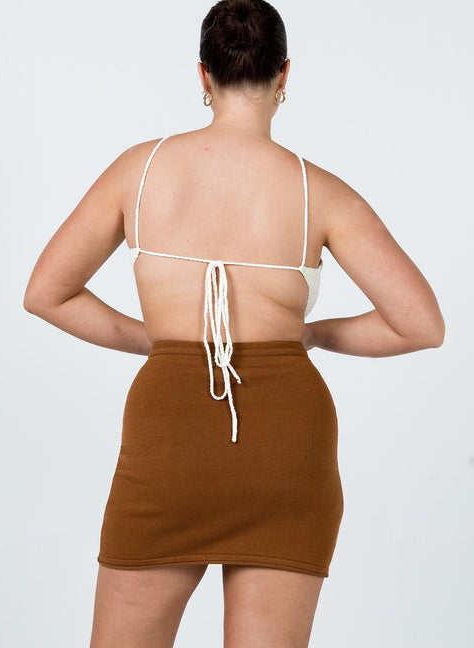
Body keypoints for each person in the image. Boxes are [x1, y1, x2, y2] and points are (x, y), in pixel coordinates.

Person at [23, 0, 445, 646]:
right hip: (287, 444)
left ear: (203, 75)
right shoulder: (319, 190)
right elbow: (420, 326)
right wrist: (307, 335)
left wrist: (160, 343)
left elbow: (46, 294)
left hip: (168, 437)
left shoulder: (139, 171)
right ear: (283, 74)